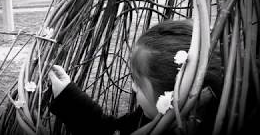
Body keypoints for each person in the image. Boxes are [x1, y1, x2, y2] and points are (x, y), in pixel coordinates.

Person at [49, 20, 222, 135]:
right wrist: (68, 95)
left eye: (139, 84)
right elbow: (110, 130)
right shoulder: (148, 118)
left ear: (177, 98)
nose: (132, 87)